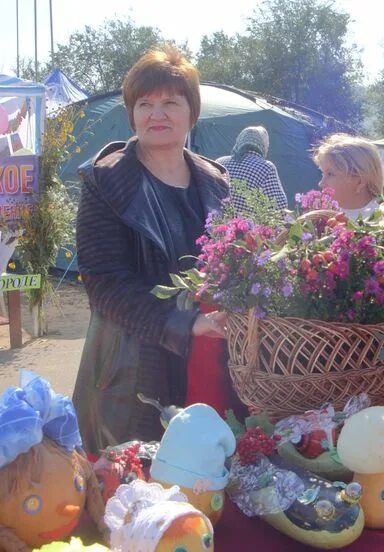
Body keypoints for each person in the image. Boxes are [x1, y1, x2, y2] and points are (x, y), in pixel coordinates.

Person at [72, 46, 230, 452]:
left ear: (191, 112)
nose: (156, 114)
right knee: (135, 487)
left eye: (170, 103)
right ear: (132, 113)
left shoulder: (216, 182)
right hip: (133, 368)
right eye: (145, 103)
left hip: (207, 360)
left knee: (203, 481)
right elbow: (104, 283)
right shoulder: (105, 182)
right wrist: (180, 325)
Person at [218, 126, 287, 213]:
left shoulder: (220, 162)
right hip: (247, 225)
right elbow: (280, 206)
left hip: (216, 224)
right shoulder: (266, 167)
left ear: (239, 141)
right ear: (263, 145)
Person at [314, 133, 384, 219]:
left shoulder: (378, 224)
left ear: (359, 182)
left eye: (330, 174)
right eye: (323, 174)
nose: (321, 183)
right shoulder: (329, 215)